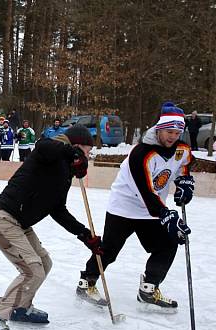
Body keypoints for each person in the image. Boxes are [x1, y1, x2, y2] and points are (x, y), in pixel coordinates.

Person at [0, 125, 99, 330]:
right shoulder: (49, 152)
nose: (88, 156)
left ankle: (21, 308)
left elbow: (58, 209)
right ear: (75, 145)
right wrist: (71, 153)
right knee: (32, 270)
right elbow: (43, 145)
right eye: (86, 150)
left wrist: (85, 235)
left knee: (44, 263)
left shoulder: (64, 172)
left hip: (20, 223)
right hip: (2, 218)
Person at [76, 102, 194, 311]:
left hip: (152, 209)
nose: (173, 137)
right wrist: (166, 214)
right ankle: (87, 281)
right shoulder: (141, 153)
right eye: (169, 131)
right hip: (125, 206)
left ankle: (149, 288)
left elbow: (182, 166)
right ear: (159, 128)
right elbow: (145, 191)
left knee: (168, 242)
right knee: (110, 250)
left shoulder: (182, 149)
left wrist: (184, 182)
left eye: (177, 132)